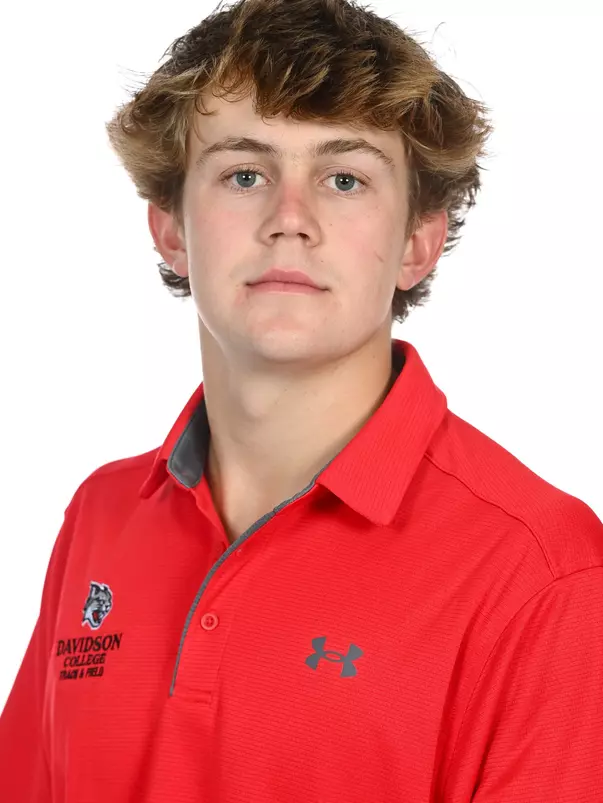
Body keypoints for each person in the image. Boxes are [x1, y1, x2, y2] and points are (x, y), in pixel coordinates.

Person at [1, 0, 602, 800]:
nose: (291, 220)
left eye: (343, 178)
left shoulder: (542, 569)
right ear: (171, 229)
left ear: (416, 243)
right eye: (244, 174)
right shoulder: (100, 516)